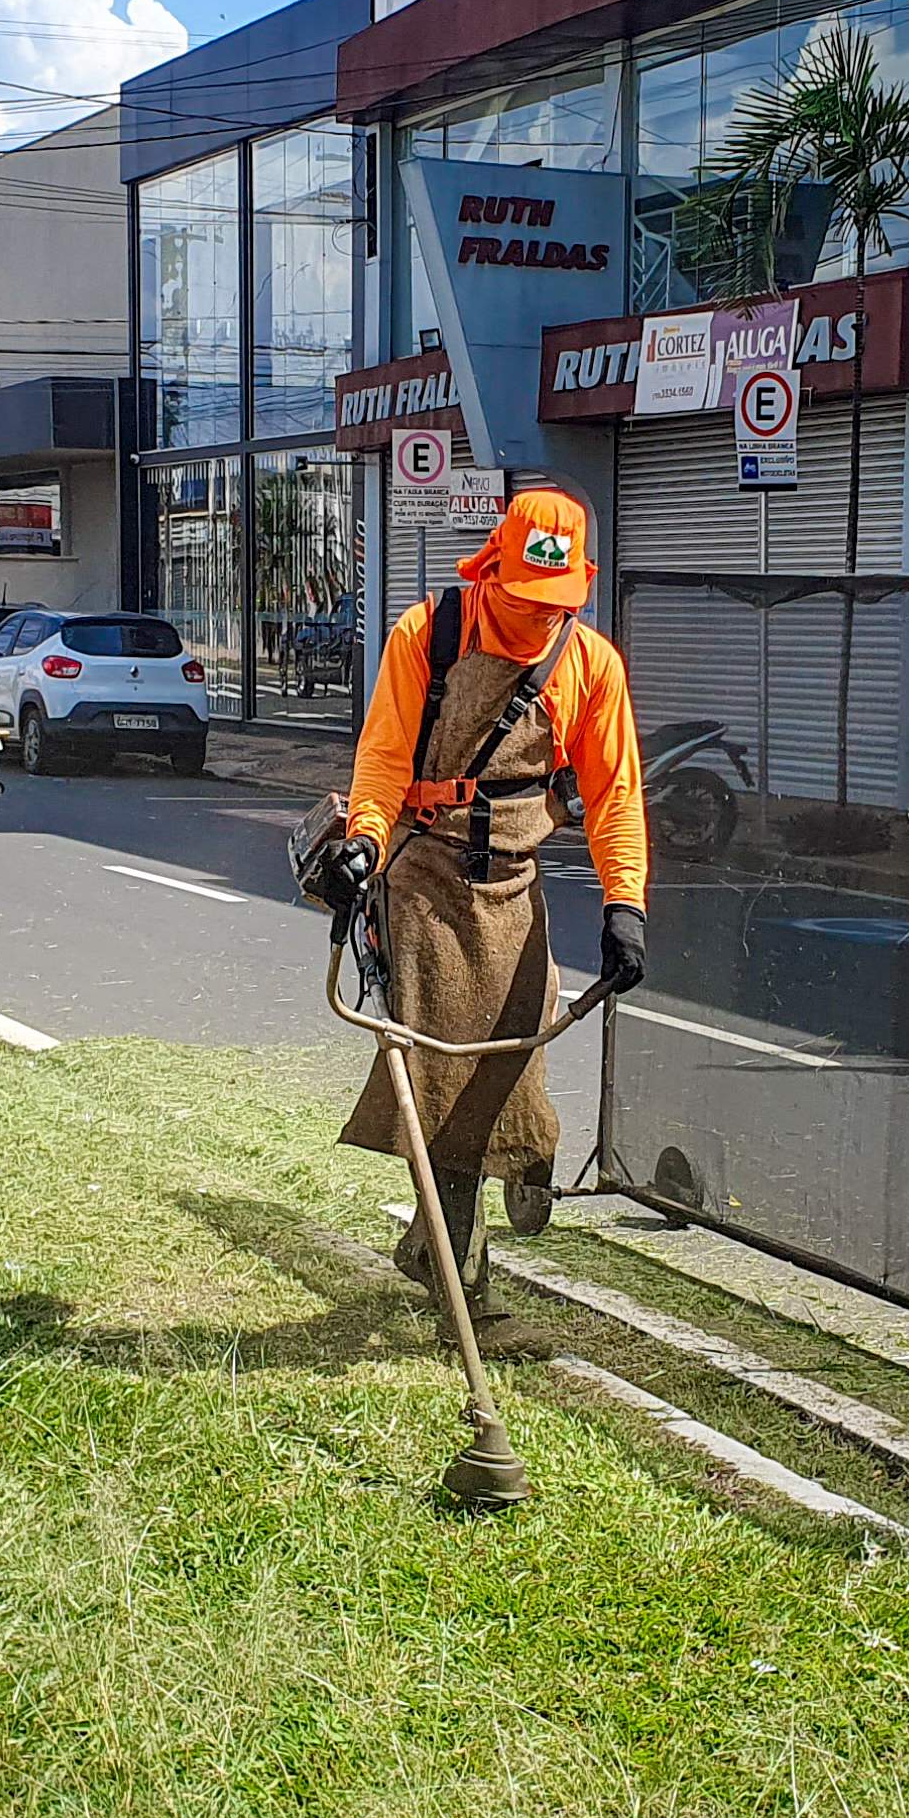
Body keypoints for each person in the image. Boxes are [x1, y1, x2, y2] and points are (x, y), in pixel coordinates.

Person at [317, 485, 650, 1292]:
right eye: (526, 598)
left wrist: (625, 903)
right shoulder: (428, 635)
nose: (541, 616)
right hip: (425, 881)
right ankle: (467, 1285)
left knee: (514, 1059)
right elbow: (386, 757)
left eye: (556, 602)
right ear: (493, 567)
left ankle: (509, 1173)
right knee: (444, 1085)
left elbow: (614, 796)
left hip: (515, 888)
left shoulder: (589, 664)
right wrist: (365, 839)